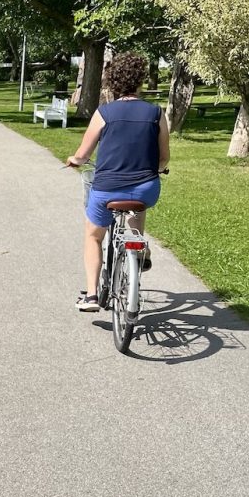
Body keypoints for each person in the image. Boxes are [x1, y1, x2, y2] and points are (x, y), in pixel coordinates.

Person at [65, 52, 170, 312]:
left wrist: (74, 160)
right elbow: (164, 158)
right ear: (140, 81)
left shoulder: (104, 113)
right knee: (138, 204)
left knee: (93, 236)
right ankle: (139, 247)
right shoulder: (157, 113)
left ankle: (90, 295)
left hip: (106, 189)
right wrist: (155, 167)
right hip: (146, 188)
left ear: (112, 82)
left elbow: (83, 155)